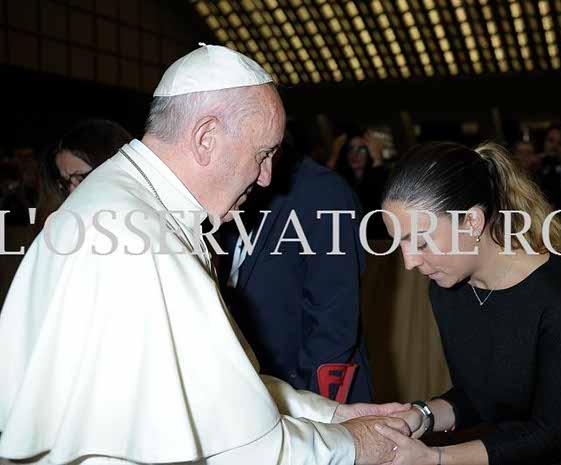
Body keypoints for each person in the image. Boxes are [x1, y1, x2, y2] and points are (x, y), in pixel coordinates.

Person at [0, 44, 409, 465]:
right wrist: (356, 444)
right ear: (206, 137)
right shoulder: (141, 237)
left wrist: (332, 412)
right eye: (263, 154)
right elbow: (244, 447)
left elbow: (212, 391)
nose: (267, 177)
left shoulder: (133, 203)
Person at [375, 142, 561, 464]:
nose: (409, 262)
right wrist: (420, 416)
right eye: (401, 243)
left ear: (472, 222)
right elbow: (479, 397)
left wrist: (435, 458)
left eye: (421, 241)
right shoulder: (447, 287)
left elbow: (552, 435)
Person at [217, 138, 374, 403]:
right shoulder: (235, 189)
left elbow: (334, 322)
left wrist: (303, 406)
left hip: (306, 396)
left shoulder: (325, 193)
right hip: (251, 390)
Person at [331, 127, 389, 238]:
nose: (355, 154)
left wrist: (377, 159)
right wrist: (333, 158)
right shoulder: (339, 181)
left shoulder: (381, 178)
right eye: (351, 149)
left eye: (362, 149)